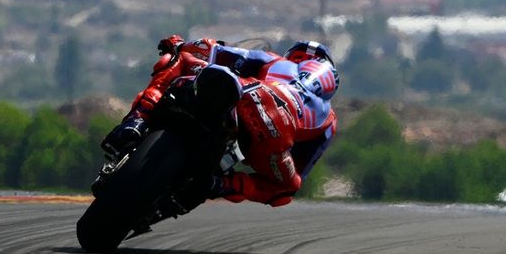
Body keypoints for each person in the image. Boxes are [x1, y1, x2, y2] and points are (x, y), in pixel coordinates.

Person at [101, 36, 339, 207]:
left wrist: (178, 44)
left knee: (178, 59)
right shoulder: (329, 120)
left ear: (295, 55)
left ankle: (137, 121)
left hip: (252, 94)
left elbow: (212, 50)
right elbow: (298, 176)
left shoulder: (275, 61)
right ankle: (218, 184)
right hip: (276, 137)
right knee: (286, 189)